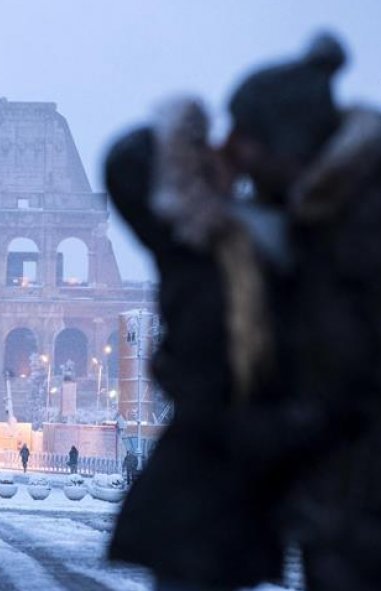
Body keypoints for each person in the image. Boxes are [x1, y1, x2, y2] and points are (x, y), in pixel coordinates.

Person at [221, 34, 381, 591]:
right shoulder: (308, 222)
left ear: (287, 139)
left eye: (248, 138)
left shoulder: (372, 227)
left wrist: (298, 417)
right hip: (337, 481)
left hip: (374, 485)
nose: (236, 152)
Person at [105, 95, 287, 591]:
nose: (221, 151)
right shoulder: (198, 246)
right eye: (205, 150)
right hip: (207, 486)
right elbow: (125, 165)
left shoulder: (236, 245)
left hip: (222, 483)